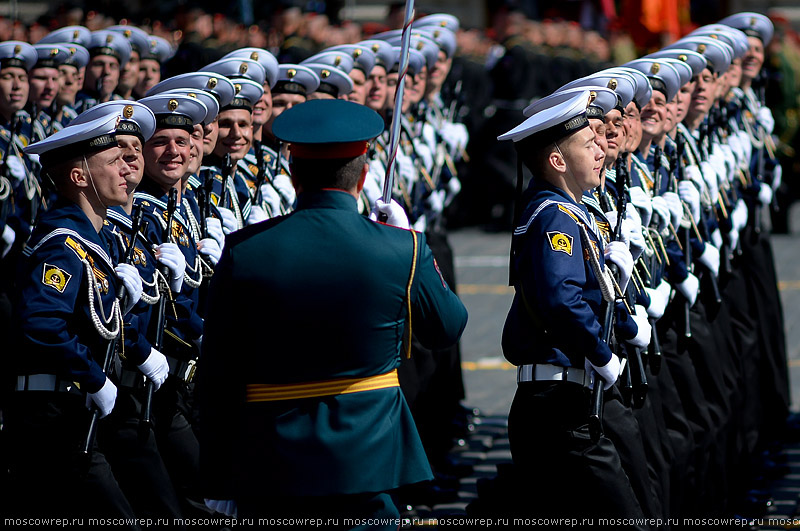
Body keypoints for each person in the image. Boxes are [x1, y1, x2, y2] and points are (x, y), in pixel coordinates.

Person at [198, 98, 468, 526]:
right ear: (363, 176)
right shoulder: (401, 248)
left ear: (292, 175)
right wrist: (411, 242)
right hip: (368, 453)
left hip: (272, 457)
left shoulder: (245, 250)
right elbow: (447, 328)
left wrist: (217, 477)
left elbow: (217, 375)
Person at [498, 89, 646, 524]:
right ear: (558, 161)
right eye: (589, 144)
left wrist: (623, 314)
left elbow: (584, 291)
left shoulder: (570, 210)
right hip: (558, 405)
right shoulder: (555, 215)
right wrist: (603, 356)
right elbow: (560, 299)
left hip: (566, 398)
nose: (602, 148)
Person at [7, 99, 145, 527]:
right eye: (114, 160)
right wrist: (94, 377)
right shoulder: (62, 244)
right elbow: (41, 323)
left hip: (72, 411)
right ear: (79, 176)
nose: (127, 168)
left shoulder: (93, 240)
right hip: (51, 415)